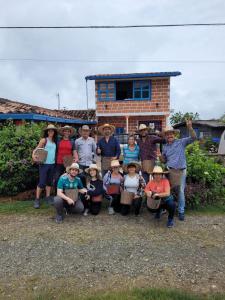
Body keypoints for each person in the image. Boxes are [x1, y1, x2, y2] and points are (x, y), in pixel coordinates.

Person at [160, 119, 197, 221]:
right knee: (168, 191)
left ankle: (181, 211)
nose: (169, 136)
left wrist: (190, 127)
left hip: (181, 171)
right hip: (169, 171)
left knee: (180, 191)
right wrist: (160, 157)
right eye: (167, 134)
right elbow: (164, 160)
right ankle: (166, 208)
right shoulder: (165, 147)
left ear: (174, 134)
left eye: (171, 134)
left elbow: (194, 138)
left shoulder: (181, 142)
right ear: (166, 136)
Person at [32, 124, 57, 209]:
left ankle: (48, 197)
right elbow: (36, 150)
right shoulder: (44, 140)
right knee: (42, 182)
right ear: (47, 132)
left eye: (52, 130)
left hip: (52, 164)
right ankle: (37, 199)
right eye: (49, 130)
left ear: (54, 132)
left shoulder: (54, 141)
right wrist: (33, 156)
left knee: (49, 182)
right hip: (43, 164)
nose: (51, 132)